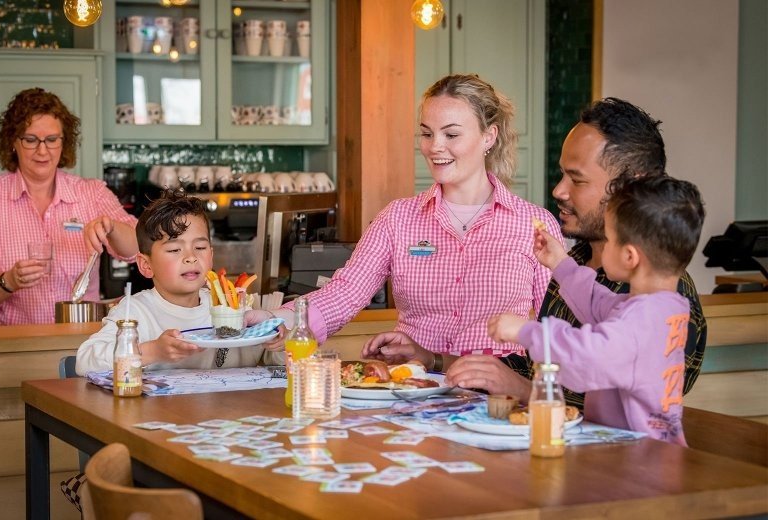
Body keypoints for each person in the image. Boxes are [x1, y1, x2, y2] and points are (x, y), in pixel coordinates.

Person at [252, 73, 562, 369]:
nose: (434, 146)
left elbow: (558, 329)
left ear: (489, 137)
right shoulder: (398, 218)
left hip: (499, 398)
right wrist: (279, 319)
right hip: (414, 389)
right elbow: (345, 292)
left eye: (451, 134)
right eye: (427, 133)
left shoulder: (533, 224)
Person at [446, 98, 708, 408]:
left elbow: (594, 384)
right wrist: (437, 360)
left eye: (577, 179)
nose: (558, 190)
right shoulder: (580, 261)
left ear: (631, 188)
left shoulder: (662, 300)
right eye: (562, 175)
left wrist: (527, 372)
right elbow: (537, 368)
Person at [487, 175, 705, 445]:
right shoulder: (663, 308)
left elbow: (584, 357)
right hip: (639, 456)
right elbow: (596, 302)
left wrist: (526, 331)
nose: (605, 246)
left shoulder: (641, 321)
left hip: (637, 467)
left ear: (629, 257)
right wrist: (560, 263)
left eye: (610, 239)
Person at [0, 88, 138, 325]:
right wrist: (10, 280)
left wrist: (112, 227)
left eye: (51, 140)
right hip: (14, 344)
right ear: (13, 142)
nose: (42, 150)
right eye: (30, 140)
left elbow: (137, 249)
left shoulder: (91, 193)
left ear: (63, 141)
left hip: (82, 342)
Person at [75, 190, 284, 375]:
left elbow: (277, 361)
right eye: (175, 250)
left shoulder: (236, 308)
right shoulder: (135, 312)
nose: (190, 257)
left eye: (200, 248)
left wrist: (280, 341)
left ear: (211, 256)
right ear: (146, 265)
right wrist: (152, 351)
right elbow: (85, 361)